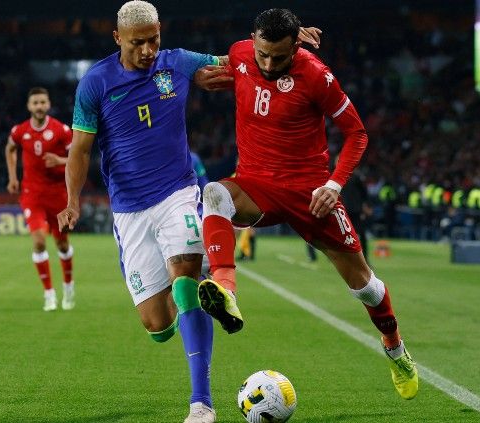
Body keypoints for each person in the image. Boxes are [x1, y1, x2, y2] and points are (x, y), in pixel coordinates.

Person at [57, 3, 321, 421]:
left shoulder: (176, 62)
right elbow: (80, 150)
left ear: (161, 32)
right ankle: (192, 303)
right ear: (117, 38)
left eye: (153, 40)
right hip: (129, 210)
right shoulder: (94, 84)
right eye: (137, 42)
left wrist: (290, 37)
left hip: (178, 192)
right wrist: (71, 201)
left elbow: (241, 57)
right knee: (157, 327)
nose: (147, 50)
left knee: (185, 278)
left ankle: (202, 404)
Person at [197, 8, 418, 400]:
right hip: (255, 183)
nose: (267, 64)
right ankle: (226, 288)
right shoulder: (240, 54)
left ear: (296, 45)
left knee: (365, 287)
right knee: (214, 193)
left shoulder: (317, 76)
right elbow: (232, 70)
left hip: (311, 194)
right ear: (253, 40)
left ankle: (396, 348)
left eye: (278, 57)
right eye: (262, 54)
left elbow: (357, 134)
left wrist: (334, 184)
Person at [5, 87, 75, 312]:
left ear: (48, 104)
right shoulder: (20, 131)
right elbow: (10, 149)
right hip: (31, 194)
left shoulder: (61, 130)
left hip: (58, 195)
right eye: (35, 102)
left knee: (62, 244)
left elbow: (77, 157)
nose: (39, 106)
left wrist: (60, 161)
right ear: (29, 106)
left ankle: (68, 287)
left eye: (42, 102)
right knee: (38, 242)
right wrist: (13, 177)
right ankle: (49, 294)